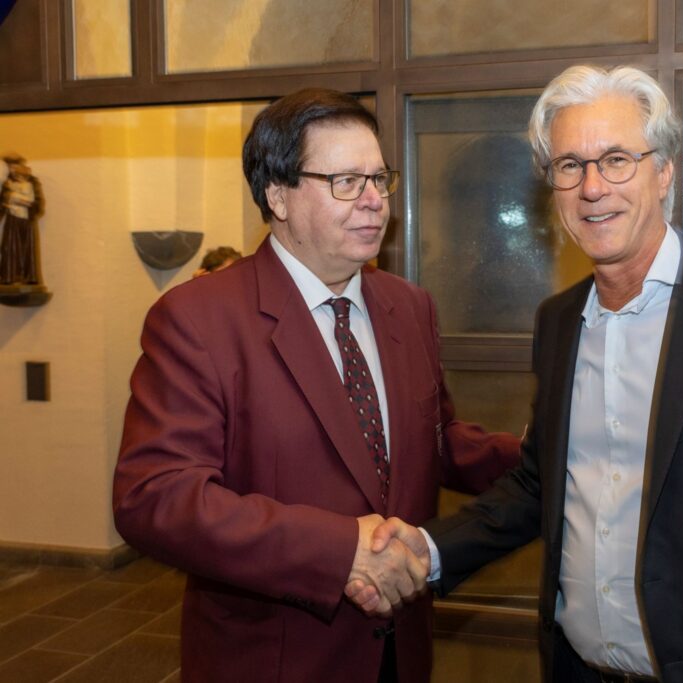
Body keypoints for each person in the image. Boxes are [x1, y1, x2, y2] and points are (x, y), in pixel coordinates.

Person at [354, 65, 683, 682]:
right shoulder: (559, 323)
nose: (592, 187)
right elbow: (541, 484)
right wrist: (429, 550)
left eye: (616, 160)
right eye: (569, 165)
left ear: (664, 172)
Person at [112, 88, 520, 683]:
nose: (374, 200)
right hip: (277, 658)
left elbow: (431, 438)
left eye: (379, 178)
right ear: (278, 195)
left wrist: (546, 453)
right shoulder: (198, 319)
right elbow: (156, 497)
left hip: (400, 649)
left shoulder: (409, 306)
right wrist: (338, 550)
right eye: (346, 182)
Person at [0, 154, 44, 285]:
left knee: (27, 248)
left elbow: (38, 203)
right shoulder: (6, 183)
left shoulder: (32, 182)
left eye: (15, 166)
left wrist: (27, 203)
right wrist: (8, 199)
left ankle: (29, 277)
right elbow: (3, 201)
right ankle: (9, 276)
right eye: (10, 167)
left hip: (27, 219)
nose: (13, 170)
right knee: (10, 247)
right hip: (12, 219)